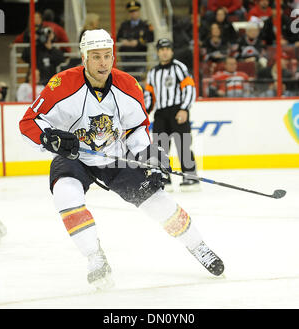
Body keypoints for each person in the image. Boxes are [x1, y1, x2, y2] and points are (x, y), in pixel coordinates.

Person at [19, 29, 224, 289]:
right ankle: (95, 257)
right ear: (84, 58)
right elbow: (28, 123)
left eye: (107, 56)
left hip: (115, 156)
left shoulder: (127, 84)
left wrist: (149, 155)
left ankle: (199, 246)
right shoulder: (62, 84)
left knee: (158, 201)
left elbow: (137, 128)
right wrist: (49, 138)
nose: (103, 62)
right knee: (65, 194)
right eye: (96, 57)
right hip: (75, 157)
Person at [144, 38, 199, 191]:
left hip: (177, 111)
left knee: (183, 144)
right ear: (157, 52)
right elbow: (149, 95)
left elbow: (189, 88)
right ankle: (163, 178)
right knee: (160, 147)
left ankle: (191, 177)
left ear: (172, 51)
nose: (164, 51)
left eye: (167, 48)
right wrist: (145, 112)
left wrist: (184, 109)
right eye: (161, 49)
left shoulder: (179, 68)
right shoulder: (153, 72)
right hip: (161, 113)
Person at [116, 1, 154, 80]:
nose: (133, 13)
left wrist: (138, 43)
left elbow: (150, 39)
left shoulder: (145, 25)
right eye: (131, 11)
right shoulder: (124, 25)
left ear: (139, 11)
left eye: (135, 11)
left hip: (139, 57)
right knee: (126, 80)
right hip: (126, 58)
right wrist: (123, 41)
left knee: (138, 81)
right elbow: (118, 37)